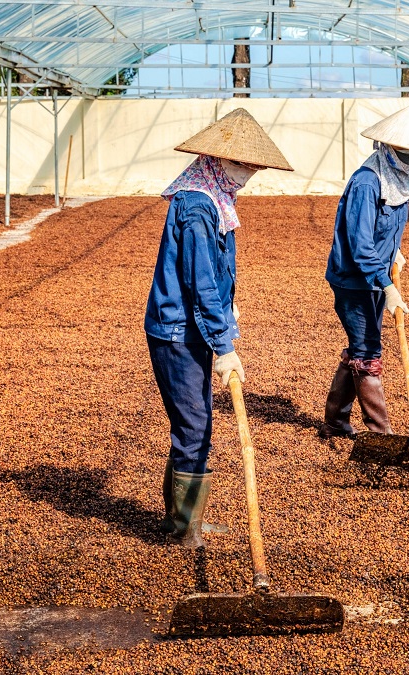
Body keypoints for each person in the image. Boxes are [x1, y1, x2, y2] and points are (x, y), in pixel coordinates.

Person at [145, 108, 293, 548]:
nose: (250, 173)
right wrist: (224, 342)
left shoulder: (211, 199)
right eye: (245, 164)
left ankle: (183, 519)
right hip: (176, 331)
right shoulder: (196, 206)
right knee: (195, 426)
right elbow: (199, 280)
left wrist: (226, 315)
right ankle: (184, 528)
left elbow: (212, 278)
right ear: (217, 160)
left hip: (188, 327)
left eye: (254, 166)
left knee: (197, 422)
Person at [321, 107, 409, 439]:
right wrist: (387, 286)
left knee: (360, 347)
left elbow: (385, 229)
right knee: (369, 350)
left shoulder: (399, 178)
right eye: (404, 152)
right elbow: (360, 244)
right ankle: (381, 432)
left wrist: (394, 251)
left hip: (375, 277)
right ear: (385, 147)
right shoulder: (366, 182)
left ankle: (334, 423)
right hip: (353, 280)